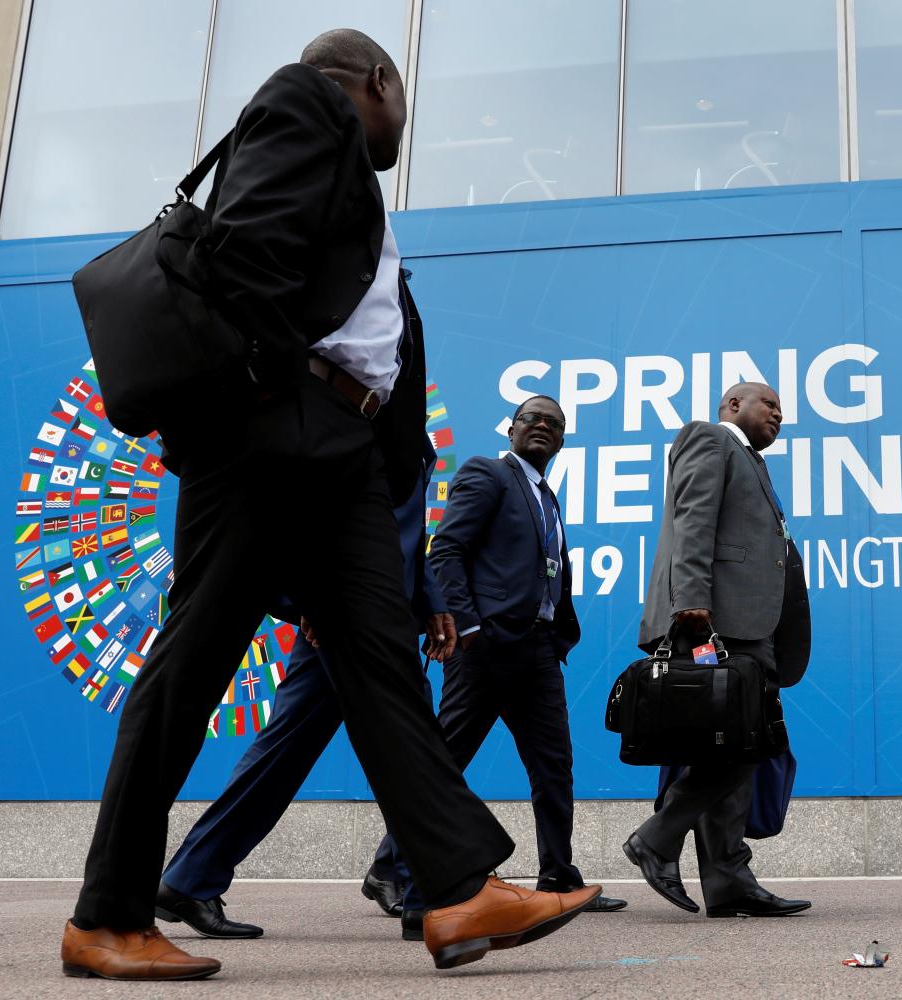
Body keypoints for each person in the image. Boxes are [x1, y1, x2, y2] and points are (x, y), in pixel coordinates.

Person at [60, 30, 597, 982]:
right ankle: (106, 917)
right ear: (378, 81)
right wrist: (284, 397)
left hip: (338, 457)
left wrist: (378, 462)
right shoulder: (305, 104)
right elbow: (237, 265)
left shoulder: (357, 191)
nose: (402, 124)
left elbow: (367, 332)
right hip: (272, 439)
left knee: (381, 665)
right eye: (403, 102)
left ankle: (458, 890)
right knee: (192, 665)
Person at [153, 432, 451, 944]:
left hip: (378, 613)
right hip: (344, 612)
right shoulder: (340, 422)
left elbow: (402, 535)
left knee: (286, 753)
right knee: (416, 746)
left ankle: (190, 878)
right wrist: (307, 596)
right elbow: (296, 510)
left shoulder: (410, 439)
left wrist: (430, 599)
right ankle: (435, 892)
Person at [385, 395, 625, 917]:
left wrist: (558, 635)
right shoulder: (488, 473)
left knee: (554, 764)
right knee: (446, 761)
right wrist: (468, 627)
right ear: (512, 429)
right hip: (484, 648)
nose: (542, 426)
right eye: (531, 419)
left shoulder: (547, 496)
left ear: (562, 440)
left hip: (538, 651)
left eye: (553, 423)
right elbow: (446, 550)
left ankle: (558, 876)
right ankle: (392, 868)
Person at [622, 382, 812, 918]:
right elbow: (693, 521)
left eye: (782, 410)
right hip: (714, 622)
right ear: (733, 406)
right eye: (769, 405)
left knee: (732, 746)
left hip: (749, 626)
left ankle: (727, 879)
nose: (779, 415)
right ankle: (656, 839)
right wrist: (693, 604)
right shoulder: (709, 438)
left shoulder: (753, 462)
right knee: (747, 743)